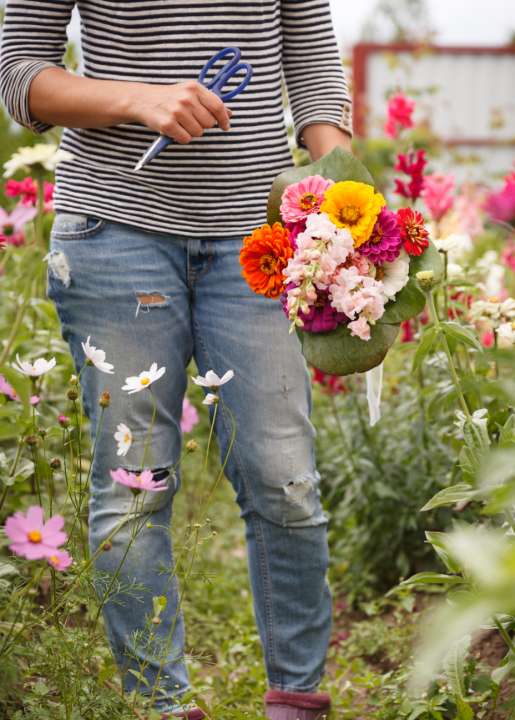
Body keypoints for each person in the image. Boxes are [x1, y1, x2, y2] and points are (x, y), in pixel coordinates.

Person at [0, 2, 353, 718]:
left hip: (261, 239)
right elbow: (19, 78)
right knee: (136, 487)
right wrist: (138, 98)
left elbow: (312, 66)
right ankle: (164, 706)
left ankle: (296, 700)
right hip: (114, 231)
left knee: (283, 479)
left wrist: (339, 195)